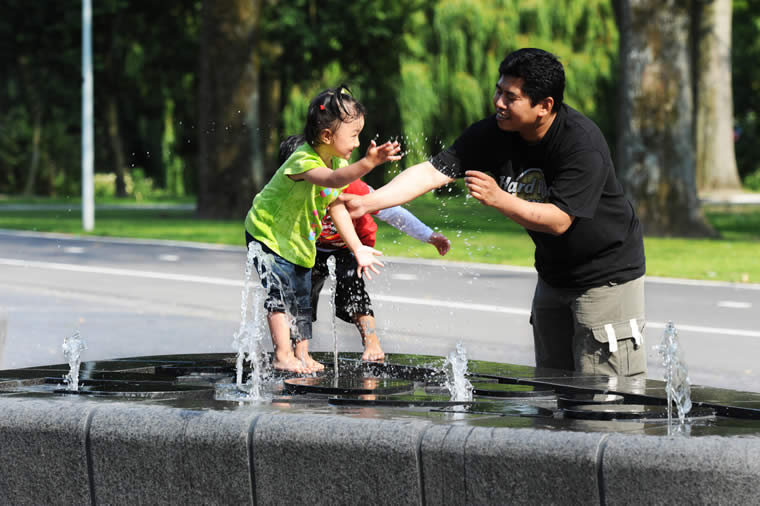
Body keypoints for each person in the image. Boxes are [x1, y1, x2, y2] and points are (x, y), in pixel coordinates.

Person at [344, 48, 647, 378]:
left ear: (545, 106)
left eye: (510, 96)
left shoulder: (580, 143)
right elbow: (432, 172)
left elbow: (560, 220)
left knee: (605, 396)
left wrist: (500, 199)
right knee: (552, 388)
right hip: (553, 274)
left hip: (606, 278)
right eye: (498, 90)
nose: (498, 102)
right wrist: (370, 203)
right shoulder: (495, 132)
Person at [244, 85, 402, 374]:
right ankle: (282, 354)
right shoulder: (303, 160)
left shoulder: (337, 159)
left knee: (302, 297)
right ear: (328, 136)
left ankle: (301, 354)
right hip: (267, 234)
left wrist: (357, 249)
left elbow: (335, 205)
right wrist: (368, 163)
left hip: (297, 240)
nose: (358, 142)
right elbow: (331, 180)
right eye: (354, 135)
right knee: (281, 294)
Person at [278, 134, 451, 362]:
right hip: (311, 247)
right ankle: (297, 351)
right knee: (298, 294)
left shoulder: (354, 188)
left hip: (352, 245)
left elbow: (391, 211)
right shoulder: (288, 194)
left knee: (353, 289)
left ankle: (371, 342)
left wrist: (429, 235)